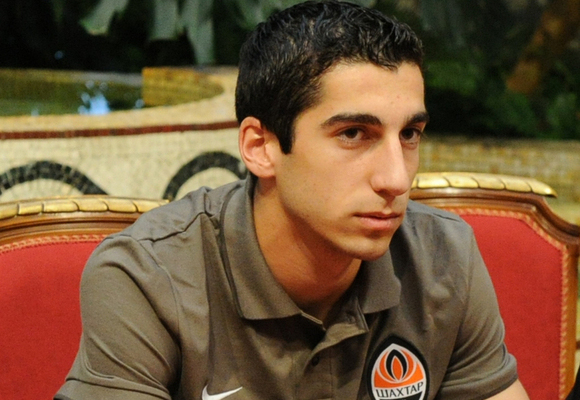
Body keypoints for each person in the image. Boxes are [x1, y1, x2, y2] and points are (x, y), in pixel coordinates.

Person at [55, 1, 530, 399]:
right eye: (353, 133)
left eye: (409, 134)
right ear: (260, 148)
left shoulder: (444, 257)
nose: (396, 178)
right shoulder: (147, 278)